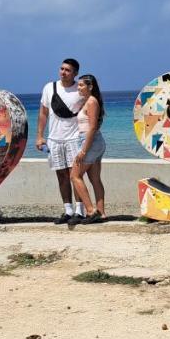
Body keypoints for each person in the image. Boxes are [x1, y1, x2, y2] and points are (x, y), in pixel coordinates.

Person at [36, 58, 85, 224]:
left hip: (74, 139)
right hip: (54, 140)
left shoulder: (80, 90)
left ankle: (80, 211)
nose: (63, 72)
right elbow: (43, 113)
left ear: (75, 73)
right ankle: (68, 211)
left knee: (75, 175)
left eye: (68, 70)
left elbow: (90, 111)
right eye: (62, 69)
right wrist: (40, 136)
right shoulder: (49, 88)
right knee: (61, 176)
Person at [69, 73, 107, 224]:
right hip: (95, 142)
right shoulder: (89, 101)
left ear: (90, 87)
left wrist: (83, 150)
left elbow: (92, 128)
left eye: (81, 85)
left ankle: (91, 211)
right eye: (78, 85)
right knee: (95, 179)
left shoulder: (91, 102)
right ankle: (102, 213)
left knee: (74, 176)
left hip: (89, 141)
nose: (78, 87)